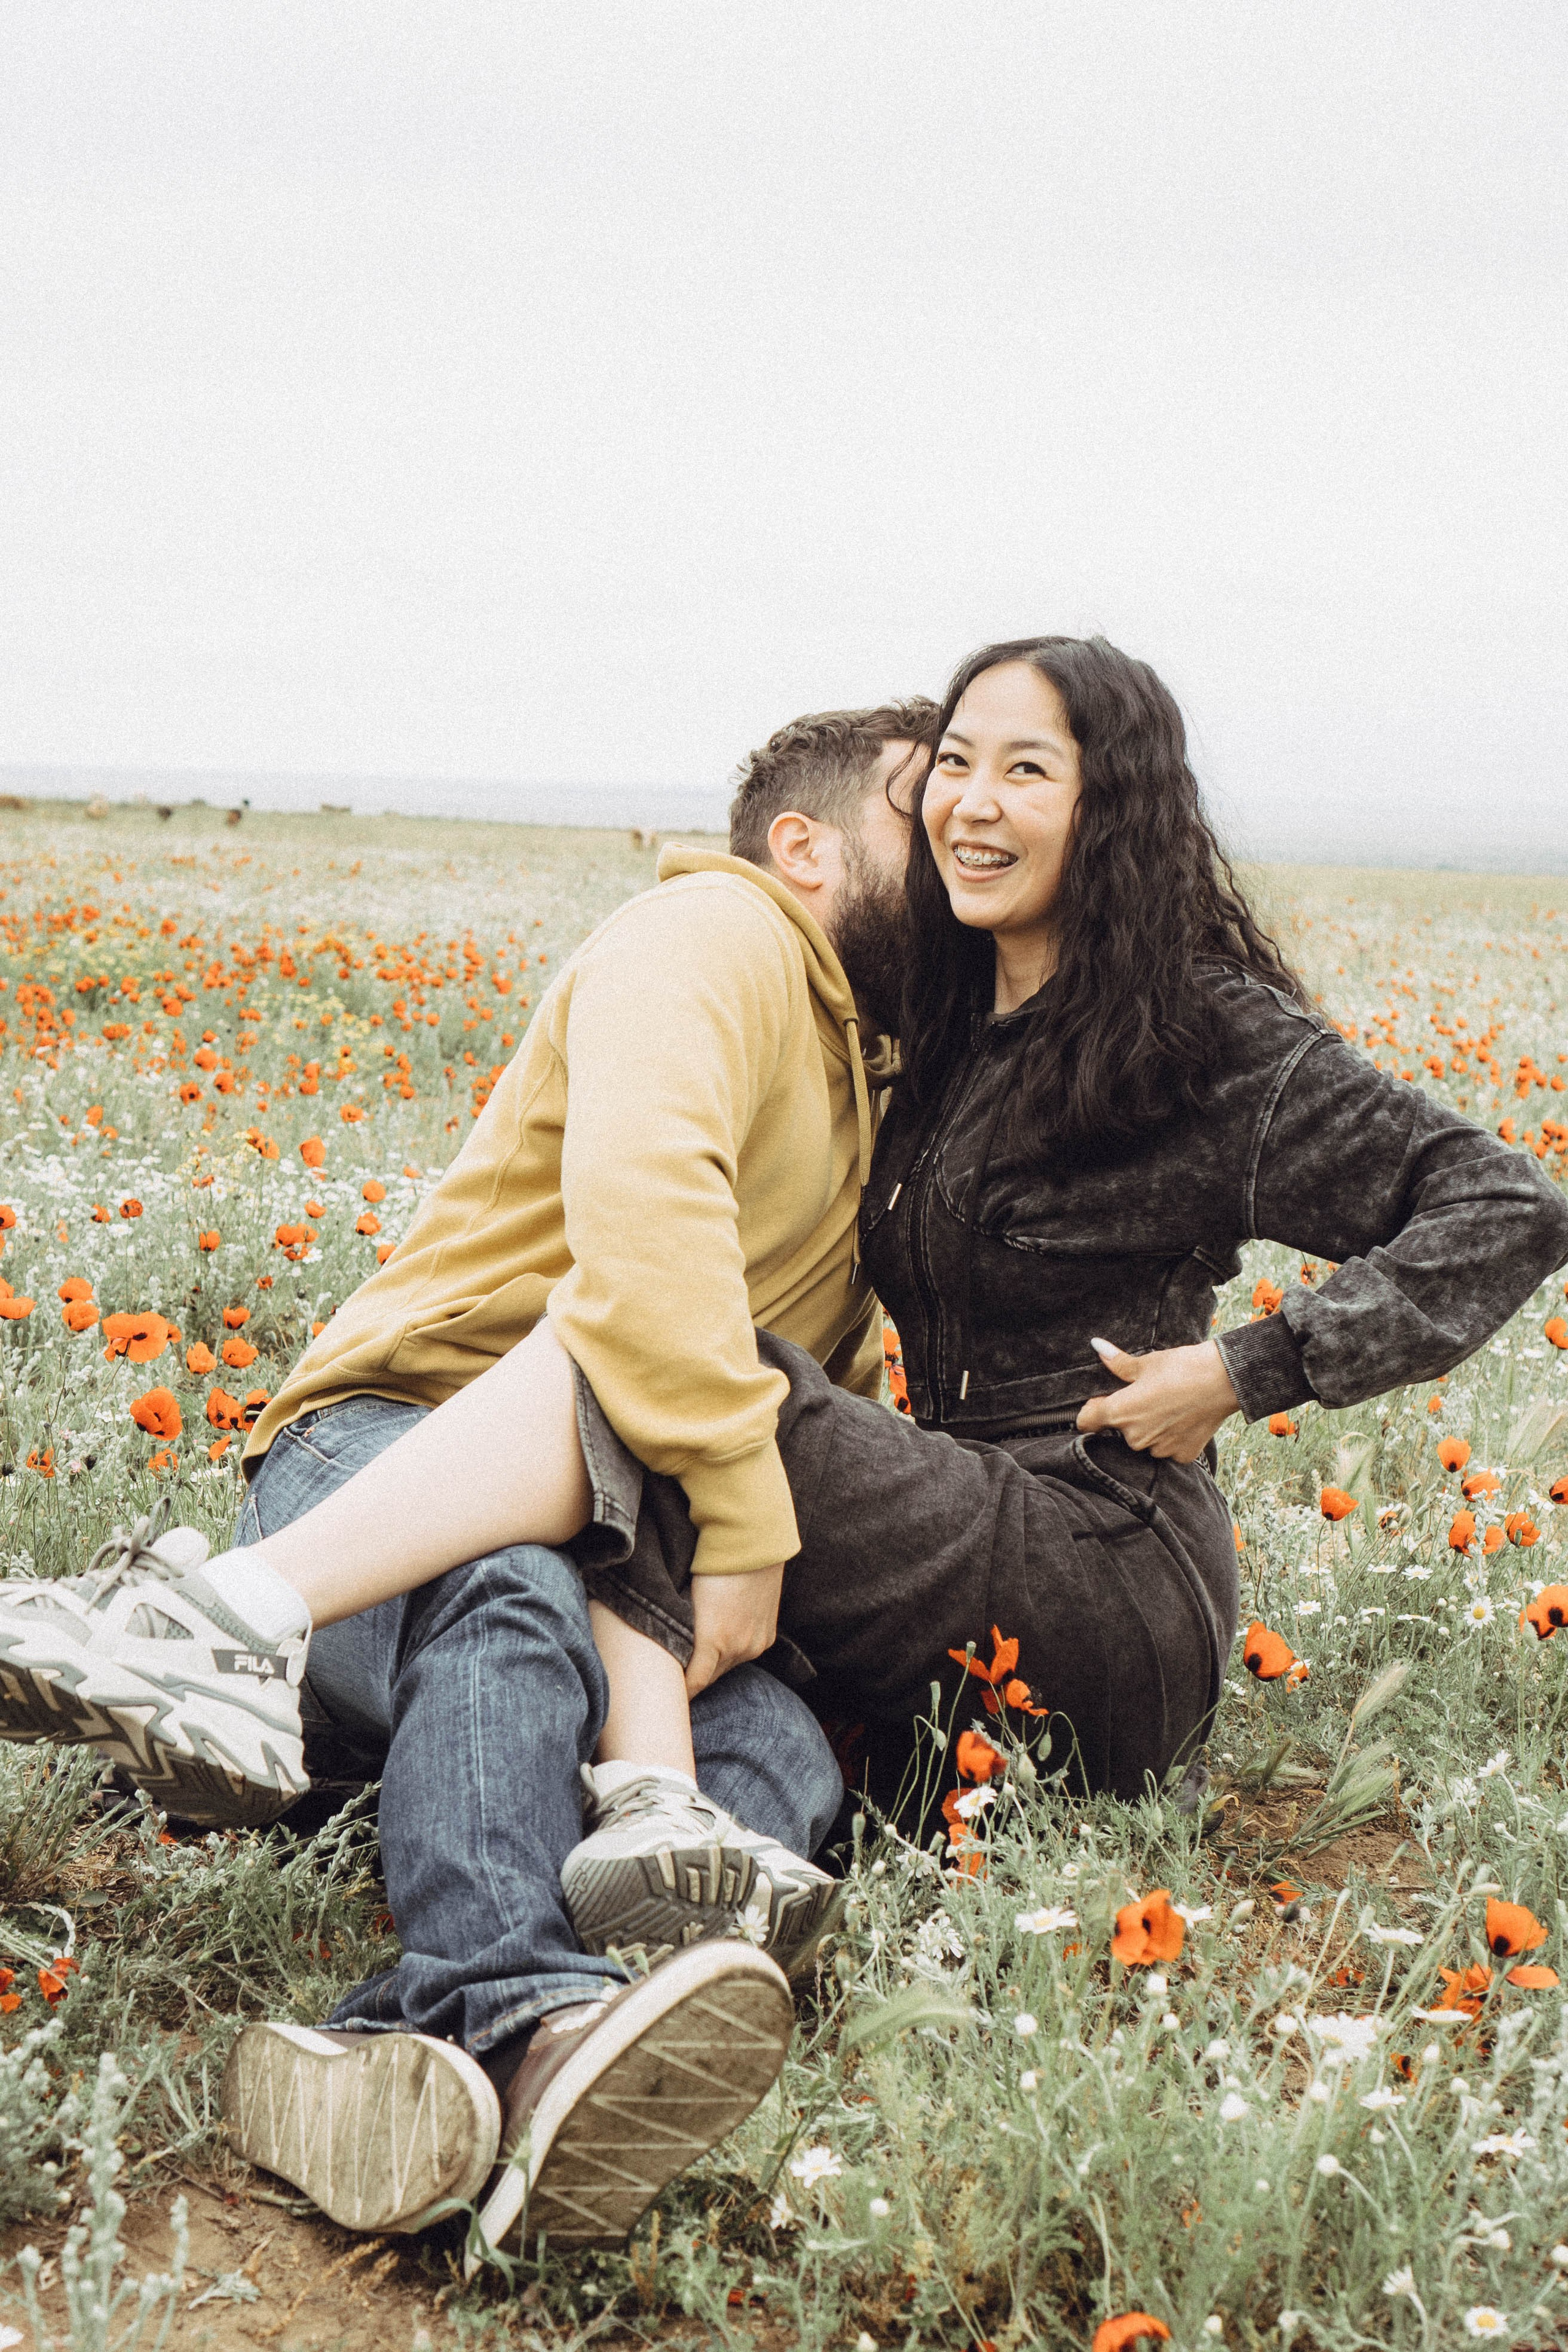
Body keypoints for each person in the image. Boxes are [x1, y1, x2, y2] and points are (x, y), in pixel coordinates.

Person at [0, 698, 932, 2264]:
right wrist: (751, 1532)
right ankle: (517, 2020)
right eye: (932, 801)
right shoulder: (714, 934)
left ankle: (441, 2079)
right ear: (807, 848)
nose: (971, 828)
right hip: (393, 1457)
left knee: (774, 1762)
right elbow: (643, 1216)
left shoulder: (876, 1084)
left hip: (619, 1555)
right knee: (504, 1597)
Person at [579, 637, 1568, 1825]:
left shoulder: (1197, 1038)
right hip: (965, 1523)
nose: (973, 803)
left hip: (1104, 1565)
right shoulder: (948, 1023)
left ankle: (635, 1799)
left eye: (1027, 771)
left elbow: (1505, 1205)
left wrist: (1241, 1369)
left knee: (684, 1370)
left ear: (1112, 809)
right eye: (953, 763)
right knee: (660, 1370)